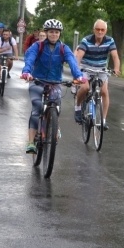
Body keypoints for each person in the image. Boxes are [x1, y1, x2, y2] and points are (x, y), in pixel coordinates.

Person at [20, 19, 85, 154]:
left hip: (55, 82)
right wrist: (26, 72)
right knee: (37, 107)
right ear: (46, 33)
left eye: (56, 32)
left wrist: (78, 76)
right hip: (37, 80)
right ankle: (31, 142)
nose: (54, 34)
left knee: (55, 105)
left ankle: (54, 125)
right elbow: (30, 59)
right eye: (51, 32)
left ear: (59, 34)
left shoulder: (63, 48)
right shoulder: (38, 46)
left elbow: (72, 62)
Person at [74, 19, 121, 130]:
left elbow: (115, 56)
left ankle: (103, 120)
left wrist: (116, 68)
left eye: (102, 30)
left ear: (106, 31)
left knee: (104, 92)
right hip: (86, 68)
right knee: (85, 88)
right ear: (94, 30)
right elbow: (79, 56)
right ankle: (77, 107)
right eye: (98, 29)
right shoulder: (86, 40)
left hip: (101, 70)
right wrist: (76, 71)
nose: (100, 32)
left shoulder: (110, 41)